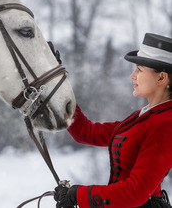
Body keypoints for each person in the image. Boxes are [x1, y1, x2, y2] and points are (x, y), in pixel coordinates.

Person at [54, 33, 172, 208]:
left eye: (139, 70)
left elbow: (135, 192)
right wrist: (58, 85)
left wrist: (78, 195)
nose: (132, 76)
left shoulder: (166, 124)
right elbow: (86, 132)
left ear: (161, 78)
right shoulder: (142, 118)